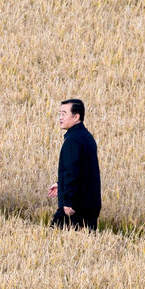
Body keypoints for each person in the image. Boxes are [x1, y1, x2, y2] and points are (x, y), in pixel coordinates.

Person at [48, 98, 101, 230]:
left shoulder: (73, 140)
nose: (60, 118)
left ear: (76, 116)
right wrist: (61, 184)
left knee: (54, 239)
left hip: (75, 207)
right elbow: (83, 171)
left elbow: (71, 172)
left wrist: (67, 201)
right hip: (89, 204)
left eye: (64, 114)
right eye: (59, 113)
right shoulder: (86, 137)